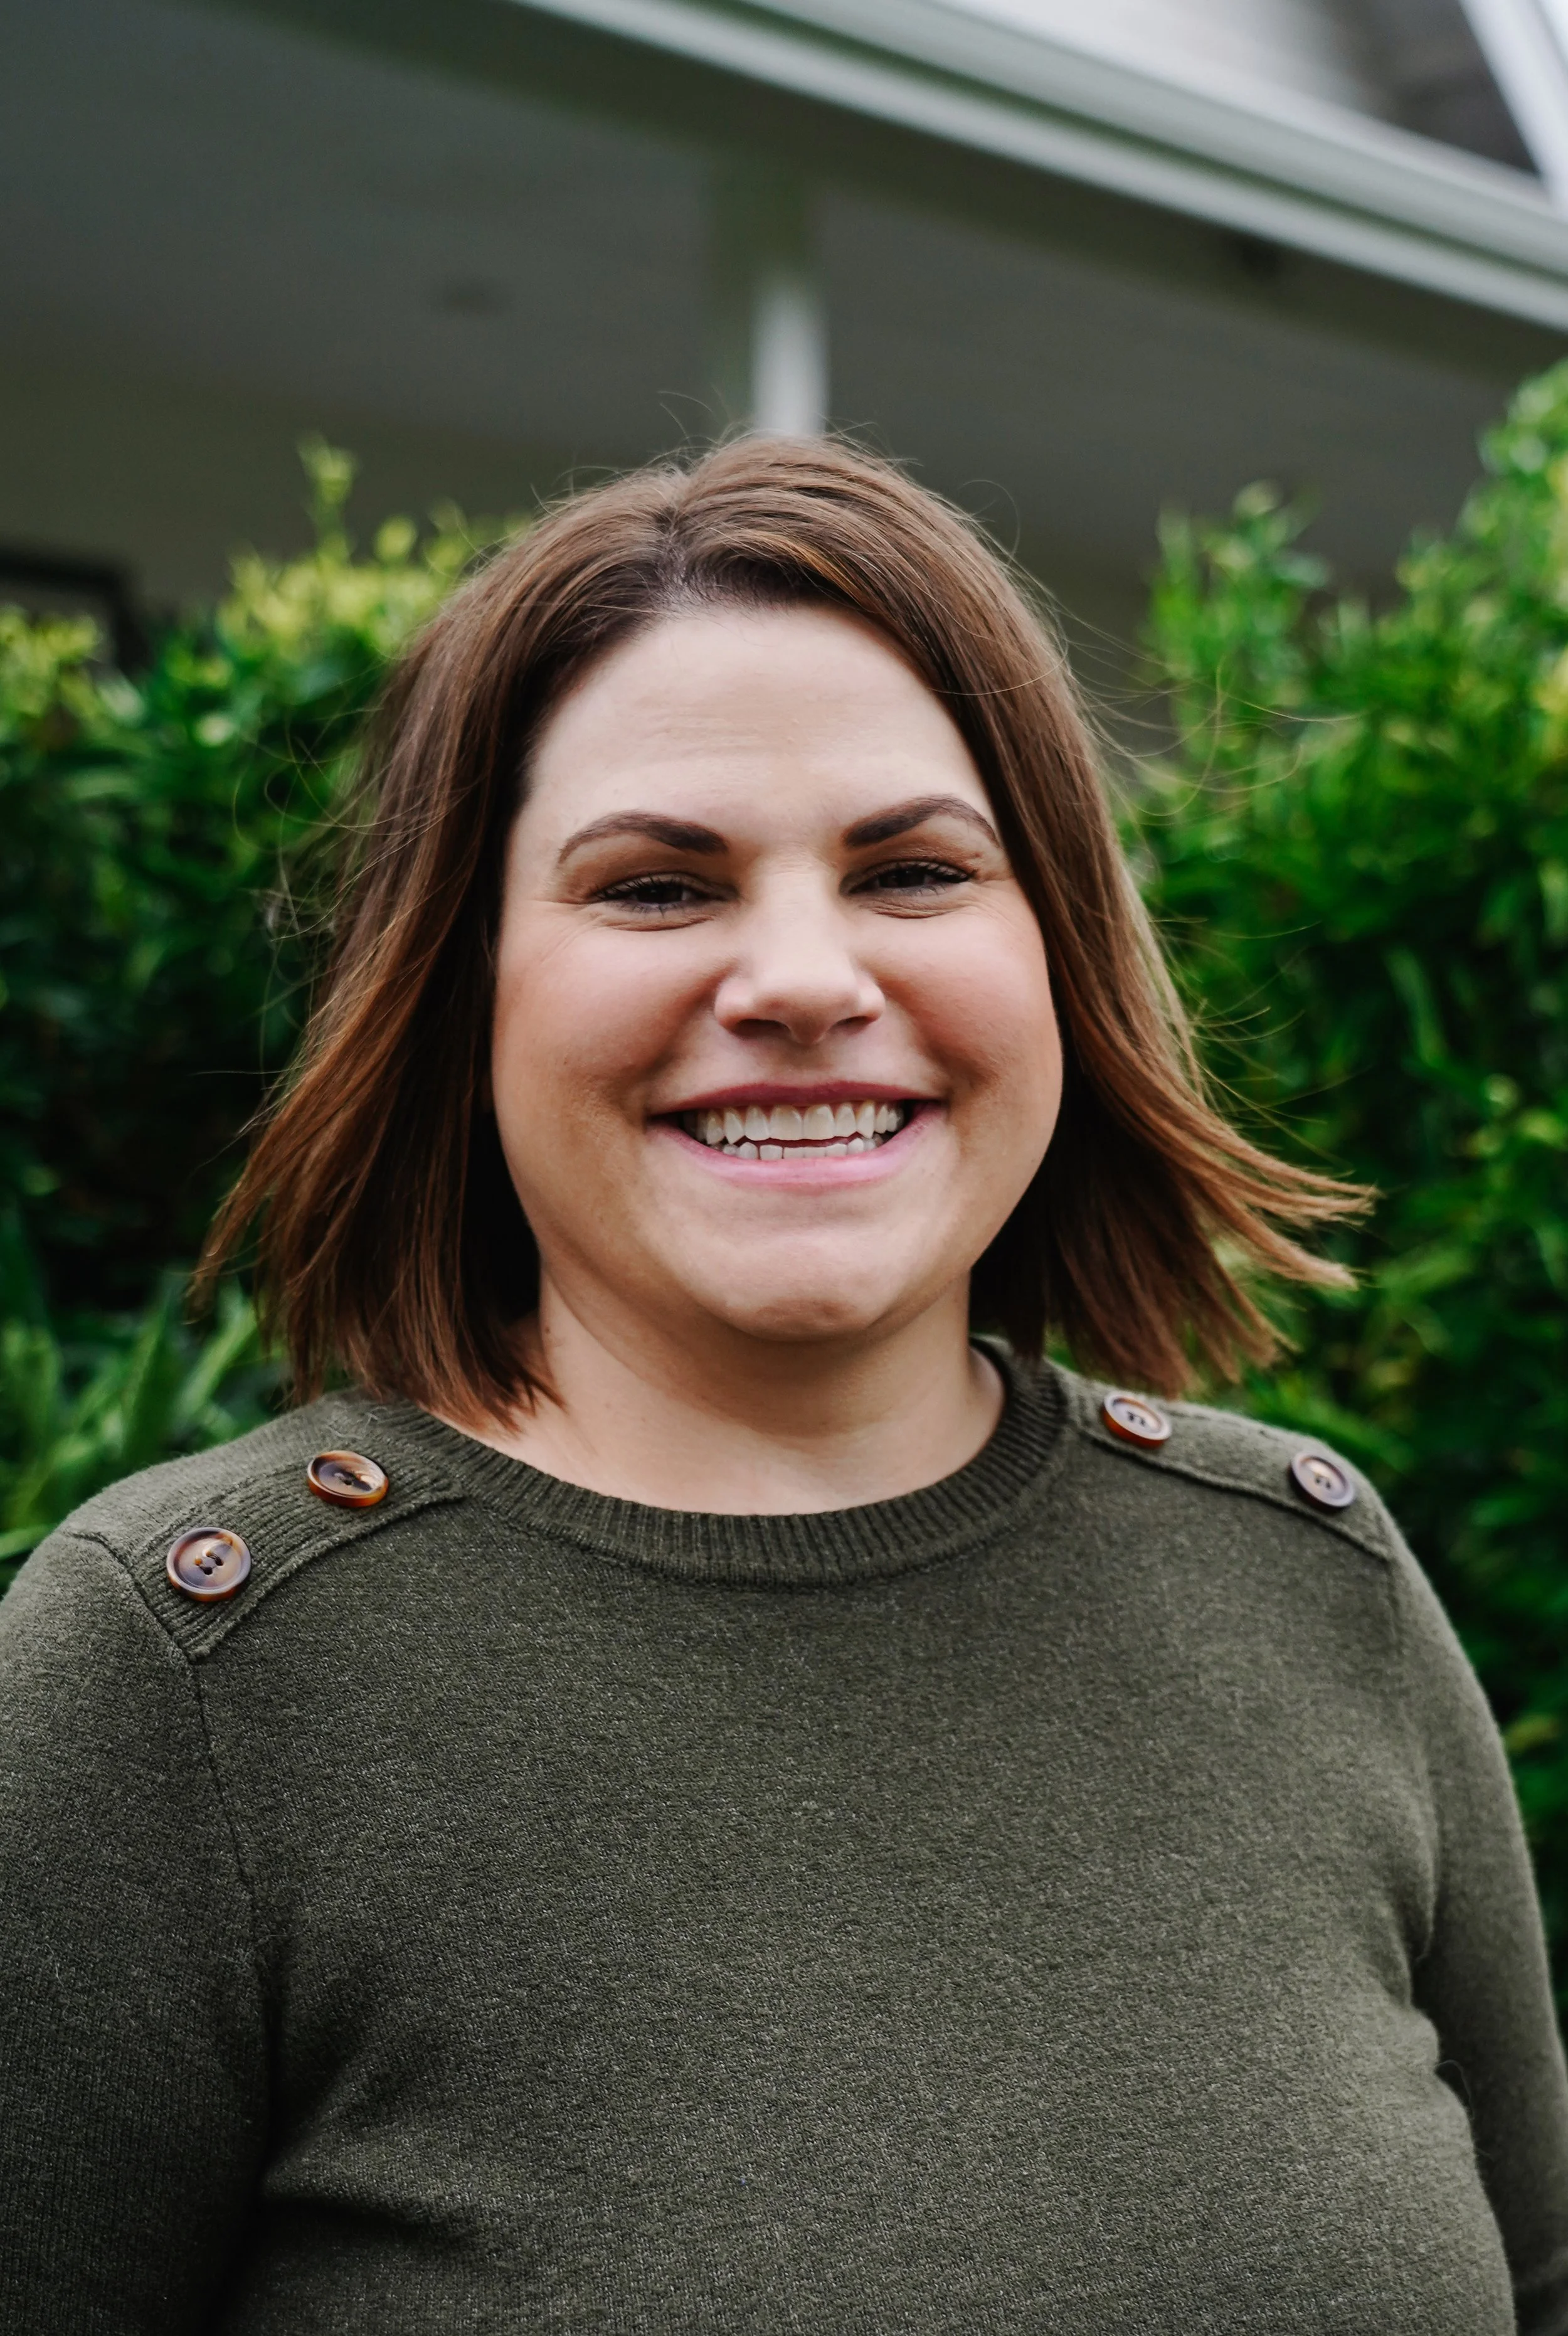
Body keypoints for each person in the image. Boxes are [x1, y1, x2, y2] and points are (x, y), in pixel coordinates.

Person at [2, 437, 1564, 2335]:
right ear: (456, 981)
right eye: (658, 886)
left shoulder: (1309, 1585)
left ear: (1056, 949)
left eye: (912, 868)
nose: (806, 977)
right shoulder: (180, 1682)